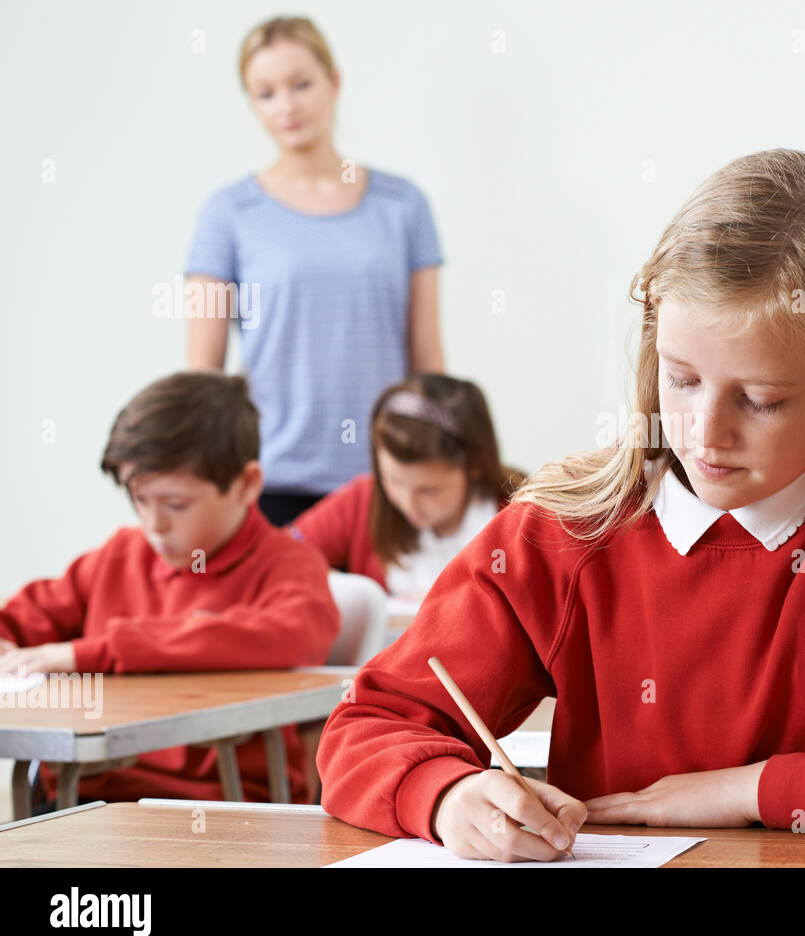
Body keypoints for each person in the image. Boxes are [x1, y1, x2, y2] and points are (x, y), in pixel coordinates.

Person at [316, 149, 805, 862]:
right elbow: (368, 728)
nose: (703, 431)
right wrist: (445, 794)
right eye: (681, 378)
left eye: (761, 399)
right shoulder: (567, 531)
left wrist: (750, 789)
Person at [0, 372, 340, 805]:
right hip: (86, 800)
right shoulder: (119, 556)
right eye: (139, 499)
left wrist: (88, 653)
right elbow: (23, 617)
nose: (154, 525)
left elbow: (288, 632)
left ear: (247, 484)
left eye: (176, 505)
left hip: (220, 810)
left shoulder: (290, 565)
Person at [185, 16, 445, 526]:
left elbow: (427, 359)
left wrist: (437, 466)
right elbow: (203, 376)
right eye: (266, 93)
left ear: (334, 81)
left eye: (301, 84)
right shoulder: (228, 213)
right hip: (272, 480)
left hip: (388, 485)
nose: (287, 106)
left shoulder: (403, 205)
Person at [291, 374, 524, 598]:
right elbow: (281, 556)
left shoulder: (520, 517)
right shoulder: (363, 499)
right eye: (393, 481)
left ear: (475, 466)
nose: (408, 503)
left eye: (429, 490)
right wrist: (346, 589)